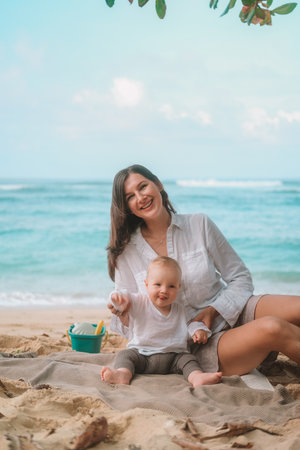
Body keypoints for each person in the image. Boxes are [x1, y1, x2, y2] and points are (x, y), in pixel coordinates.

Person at [107, 164, 300, 376]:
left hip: (234, 309)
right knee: (274, 328)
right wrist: (123, 310)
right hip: (196, 344)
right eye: (130, 197)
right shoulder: (126, 252)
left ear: (158, 184)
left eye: (142, 187)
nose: (140, 197)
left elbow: (240, 278)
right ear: (126, 207)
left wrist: (213, 310)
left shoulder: (199, 224)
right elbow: (128, 328)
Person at [101, 256, 222, 387]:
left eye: (171, 286)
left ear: (178, 287)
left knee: (189, 360)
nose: (164, 290)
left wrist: (198, 330)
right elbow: (124, 297)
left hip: (174, 358)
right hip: (142, 355)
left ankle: (197, 377)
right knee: (125, 355)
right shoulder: (140, 302)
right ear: (146, 284)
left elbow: (190, 324)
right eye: (158, 284)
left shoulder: (180, 310)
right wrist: (116, 297)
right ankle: (122, 374)